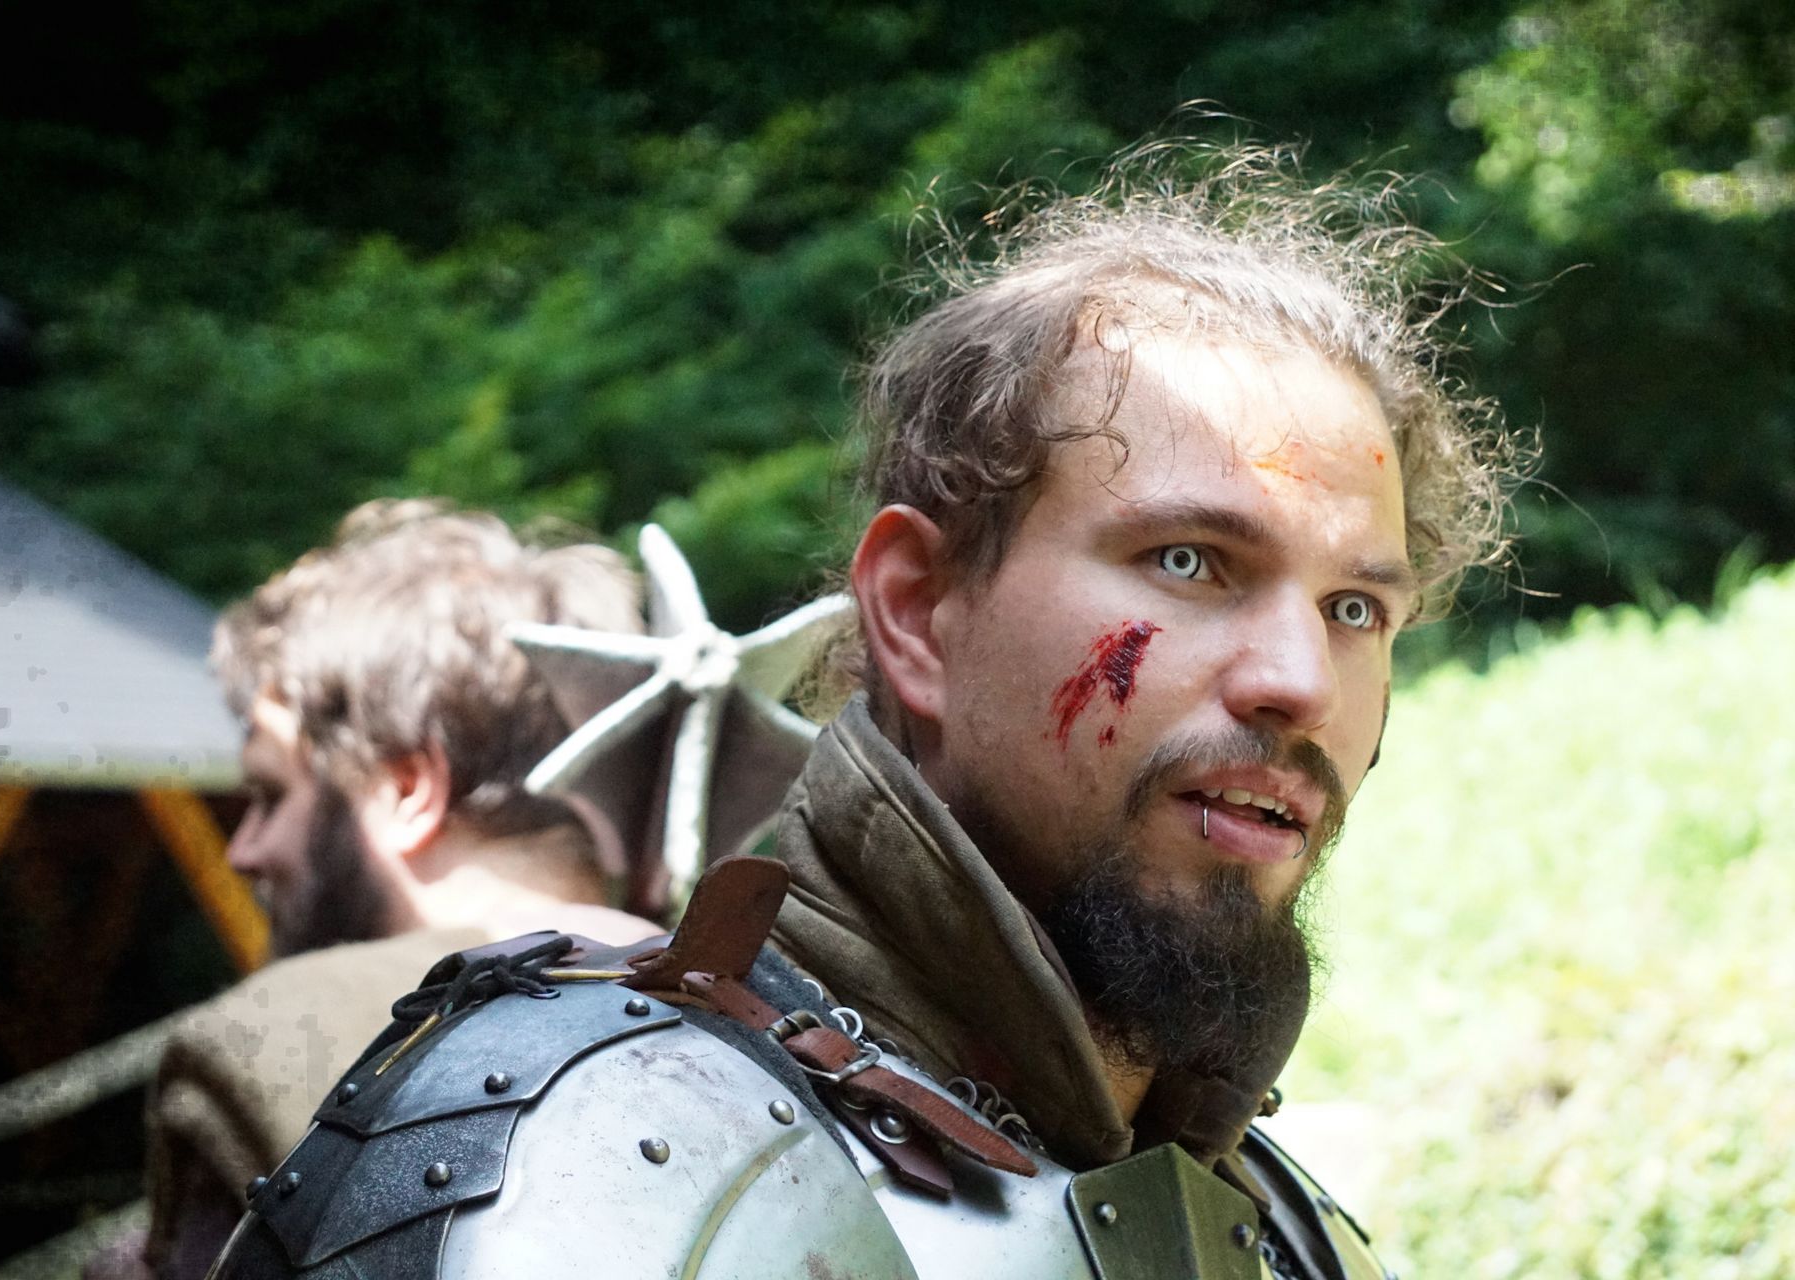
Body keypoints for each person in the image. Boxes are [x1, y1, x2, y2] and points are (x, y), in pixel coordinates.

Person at [202, 143, 1518, 1279]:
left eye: (1356, 607)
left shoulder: (1289, 1232)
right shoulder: (583, 1153)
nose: (1299, 680)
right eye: (1190, 560)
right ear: (917, 610)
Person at [89, 500, 663, 1280]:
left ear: (406, 790)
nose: (244, 850)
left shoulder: (269, 1043)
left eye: (272, 795)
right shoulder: (765, 1000)